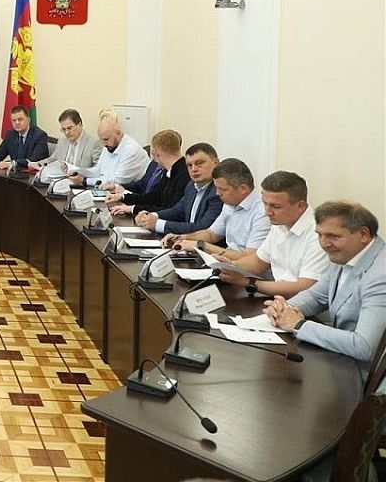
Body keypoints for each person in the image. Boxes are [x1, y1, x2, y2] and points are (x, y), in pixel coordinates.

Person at [263, 200, 385, 368]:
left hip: (365, 373)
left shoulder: (380, 275)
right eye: (319, 235)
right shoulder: (345, 254)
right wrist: (283, 309)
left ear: (364, 234)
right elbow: (316, 296)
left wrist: (299, 325)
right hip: (342, 359)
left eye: (333, 236)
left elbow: (364, 346)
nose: (324, 244)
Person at [217, 171, 328, 299]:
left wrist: (248, 283)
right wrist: (230, 266)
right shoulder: (280, 224)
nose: (267, 212)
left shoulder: (319, 234)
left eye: (276, 206)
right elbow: (258, 261)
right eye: (265, 204)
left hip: (303, 304)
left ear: (300, 206)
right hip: (279, 299)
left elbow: (305, 288)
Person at [164, 158, 270, 261]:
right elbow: (211, 234)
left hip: (244, 270)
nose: (217, 193)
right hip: (226, 265)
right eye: (217, 188)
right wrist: (182, 237)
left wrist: (200, 245)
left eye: (223, 189)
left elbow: (249, 258)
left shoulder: (262, 213)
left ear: (243, 189)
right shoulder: (229, 205)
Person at [134, 142, 223, 235]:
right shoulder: (191, 186)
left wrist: (157, 224)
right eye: (189, 165)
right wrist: (150, 216)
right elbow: (178, 211)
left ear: (216, 163)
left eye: (199, 163)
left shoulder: (219, 191)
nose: (194, 169)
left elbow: (203, 228)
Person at [104, 129, 187, 215]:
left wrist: (132, 209)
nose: (153, 159)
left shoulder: (184, 175)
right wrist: (123, 197)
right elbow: (153, 197)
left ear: (157, 153)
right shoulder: (170, 170)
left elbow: (169, 210)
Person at [67, 114, 149, 187]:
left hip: (132, 193)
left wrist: (84, 181)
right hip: (113, 190)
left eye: (106, 139)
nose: (104, 144)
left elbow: (118, 181)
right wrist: (77, 171)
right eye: (102, 140)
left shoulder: (131, 150)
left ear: (118, 133)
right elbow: (98, 170)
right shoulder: (109, 145)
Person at [32, 108, 102, 171]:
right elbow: (53, 159)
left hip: (80, 180)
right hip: (60, 177)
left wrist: (83, 178)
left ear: (80, 124)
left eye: (69, 128)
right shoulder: (62, 141)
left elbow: (97, 170)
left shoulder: (94, 144)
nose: (67, 133)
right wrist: (37, 164)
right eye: (63, 129)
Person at [0, 105, 49, 170]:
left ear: (28, 120)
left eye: (20, 119)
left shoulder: (40, 135)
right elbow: (0, 153)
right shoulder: (10, 134)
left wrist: (12, 163)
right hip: (15, 173)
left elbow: (34, 159)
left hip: (33, 173)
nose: (17, 123)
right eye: (14, 120)